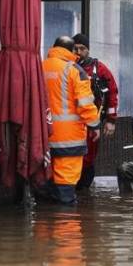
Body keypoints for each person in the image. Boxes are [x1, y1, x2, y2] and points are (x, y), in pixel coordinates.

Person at [39, 36, 101, 204]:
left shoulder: (39, 67)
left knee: (45, 185)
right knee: (66, 188)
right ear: (71, 50)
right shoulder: (74, 70)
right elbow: (85, 104)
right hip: (68, 139)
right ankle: (66, 226)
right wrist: (95, 125)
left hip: (42, 136)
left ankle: (43, 226)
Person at [72, 34, 119, 190]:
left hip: (92, 123)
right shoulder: (66, 67)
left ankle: (84, 193)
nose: (78, 52)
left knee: (88, 158)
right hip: (69, 123)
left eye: (82, 48)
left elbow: (112, 92)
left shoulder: (98, 69)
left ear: (88, 50)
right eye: (75, 48)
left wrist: (111, 120)